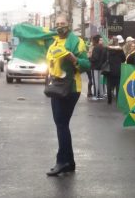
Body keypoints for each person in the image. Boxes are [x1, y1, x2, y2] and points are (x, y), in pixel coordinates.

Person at [46, 14, 90, 176]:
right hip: (56, 86)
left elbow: (86, 65)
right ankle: (69, 162)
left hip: (70, 88)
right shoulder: (55, 41)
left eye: (62, 23)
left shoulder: (76, 42)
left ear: (69, 24)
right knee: (61, 123)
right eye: (57, 23)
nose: (59, 26)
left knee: (61, 124)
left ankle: (62, 161)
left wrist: (72, 58)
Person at [105, 36, 126, 104]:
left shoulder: (108, 49)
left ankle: (109, 99)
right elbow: (124, 59)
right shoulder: (120, 50)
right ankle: (118, 99)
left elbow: (104, 58)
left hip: (109, 70)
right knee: (118, 85)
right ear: (117, 42)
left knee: (109, 85)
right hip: (118, 69)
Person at [90, 35, 106, 100]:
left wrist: (89, 58)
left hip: (95, 67)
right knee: (100, 81)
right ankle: (101, 95)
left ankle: (97, 95)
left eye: (92, 40)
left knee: (96, 82)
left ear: (94, 40)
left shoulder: (96, 48)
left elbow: (95, 58)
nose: (92, 42)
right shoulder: (102, 47)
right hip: (101, 67)